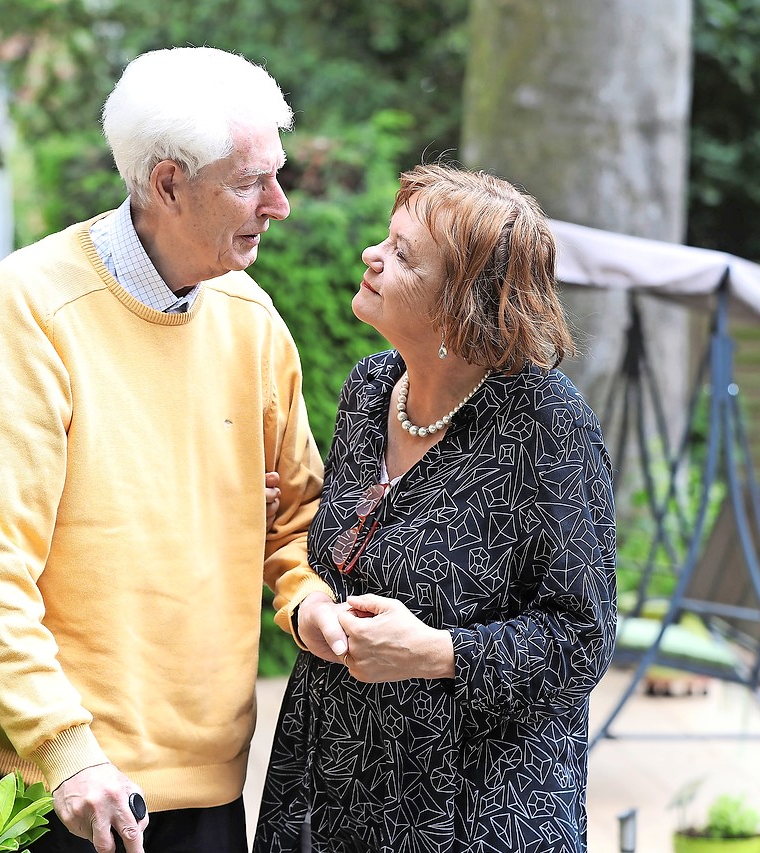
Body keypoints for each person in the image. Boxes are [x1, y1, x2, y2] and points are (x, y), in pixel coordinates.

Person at [0, 47, 349, 853]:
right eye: (248, 181)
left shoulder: (251, 317)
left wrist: (305, 600)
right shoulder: (35, 306)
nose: (279, 205)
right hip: (61, 790)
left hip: (208, 784)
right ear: (166, 183)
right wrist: (65, 751)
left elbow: (301, 515)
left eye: (277, 176)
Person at [254, 163, 618, 853]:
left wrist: (437, 652)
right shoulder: (368, 390)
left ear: (462, 306)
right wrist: (318, 607)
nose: (373, 256)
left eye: (402, 254)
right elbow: (342, 553)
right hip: (334, 794)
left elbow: (583, 640)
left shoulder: (545, 423)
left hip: (473, 814)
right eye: (385, 239)